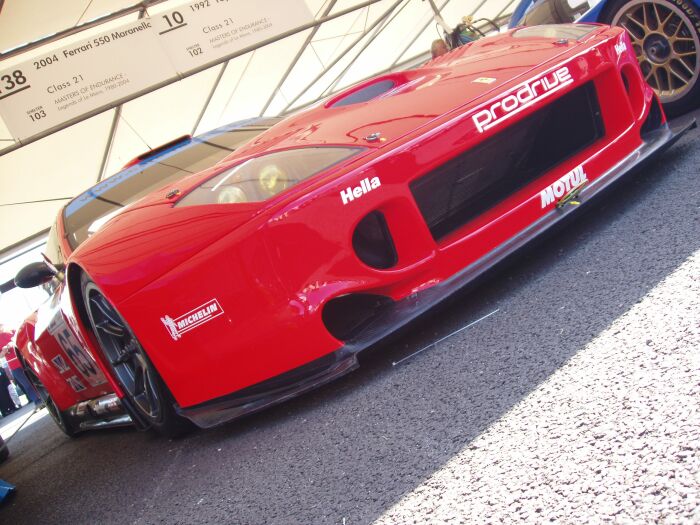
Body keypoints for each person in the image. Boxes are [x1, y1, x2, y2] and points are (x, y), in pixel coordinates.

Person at [0, 325, 41, 405]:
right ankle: (37, 400)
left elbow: (24, 340)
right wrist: (4, 351)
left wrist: (12, 343)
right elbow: (0, 355)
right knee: (27, 384)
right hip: (14, 365)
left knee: (37, 378)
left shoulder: (12, 331)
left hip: (25, 359)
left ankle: (47, 396)